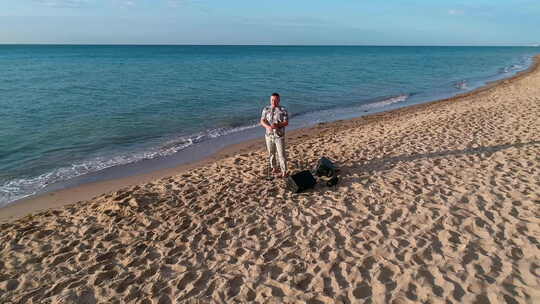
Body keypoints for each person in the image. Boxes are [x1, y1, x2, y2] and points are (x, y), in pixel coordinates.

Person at [260, 92, 289, 177]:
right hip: (268, 135)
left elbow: (286, 122)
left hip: (279, 136)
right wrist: (268, 127)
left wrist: (277, 125)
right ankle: (274, 168)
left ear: (279, 100)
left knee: (281, 154)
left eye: (276, 100)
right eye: (272, 100)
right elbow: (262, 121)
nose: (274, 102)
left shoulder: (283, 110)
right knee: (271, 153)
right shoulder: (266, 109)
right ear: (270, 100)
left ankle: (284, 171)